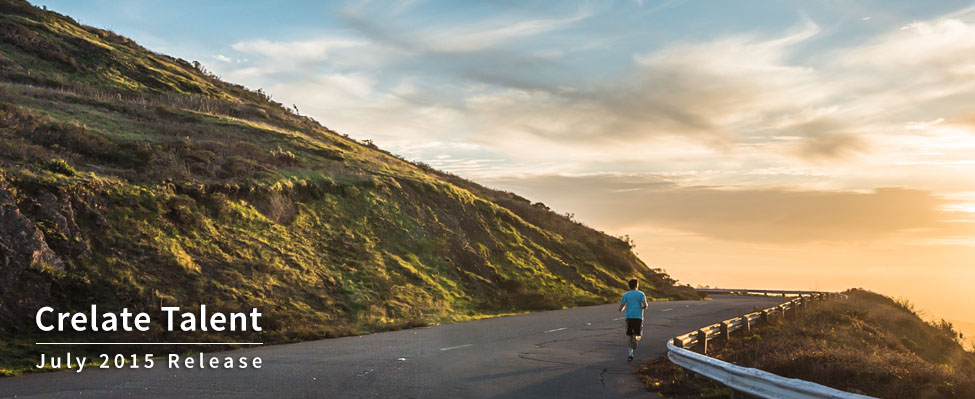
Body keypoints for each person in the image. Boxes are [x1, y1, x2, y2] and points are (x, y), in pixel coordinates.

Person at [618, 278, 648, 362]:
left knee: (629, 335)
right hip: (638, 317)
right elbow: (645, 305)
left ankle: (630, 354)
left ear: (629, 286)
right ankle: (636, 338)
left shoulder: (626, 295)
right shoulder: (641, 294)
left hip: (629, 317)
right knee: (639, 334)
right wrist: (642, 307)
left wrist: (623, 308)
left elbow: (621, 308)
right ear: (637, 285)